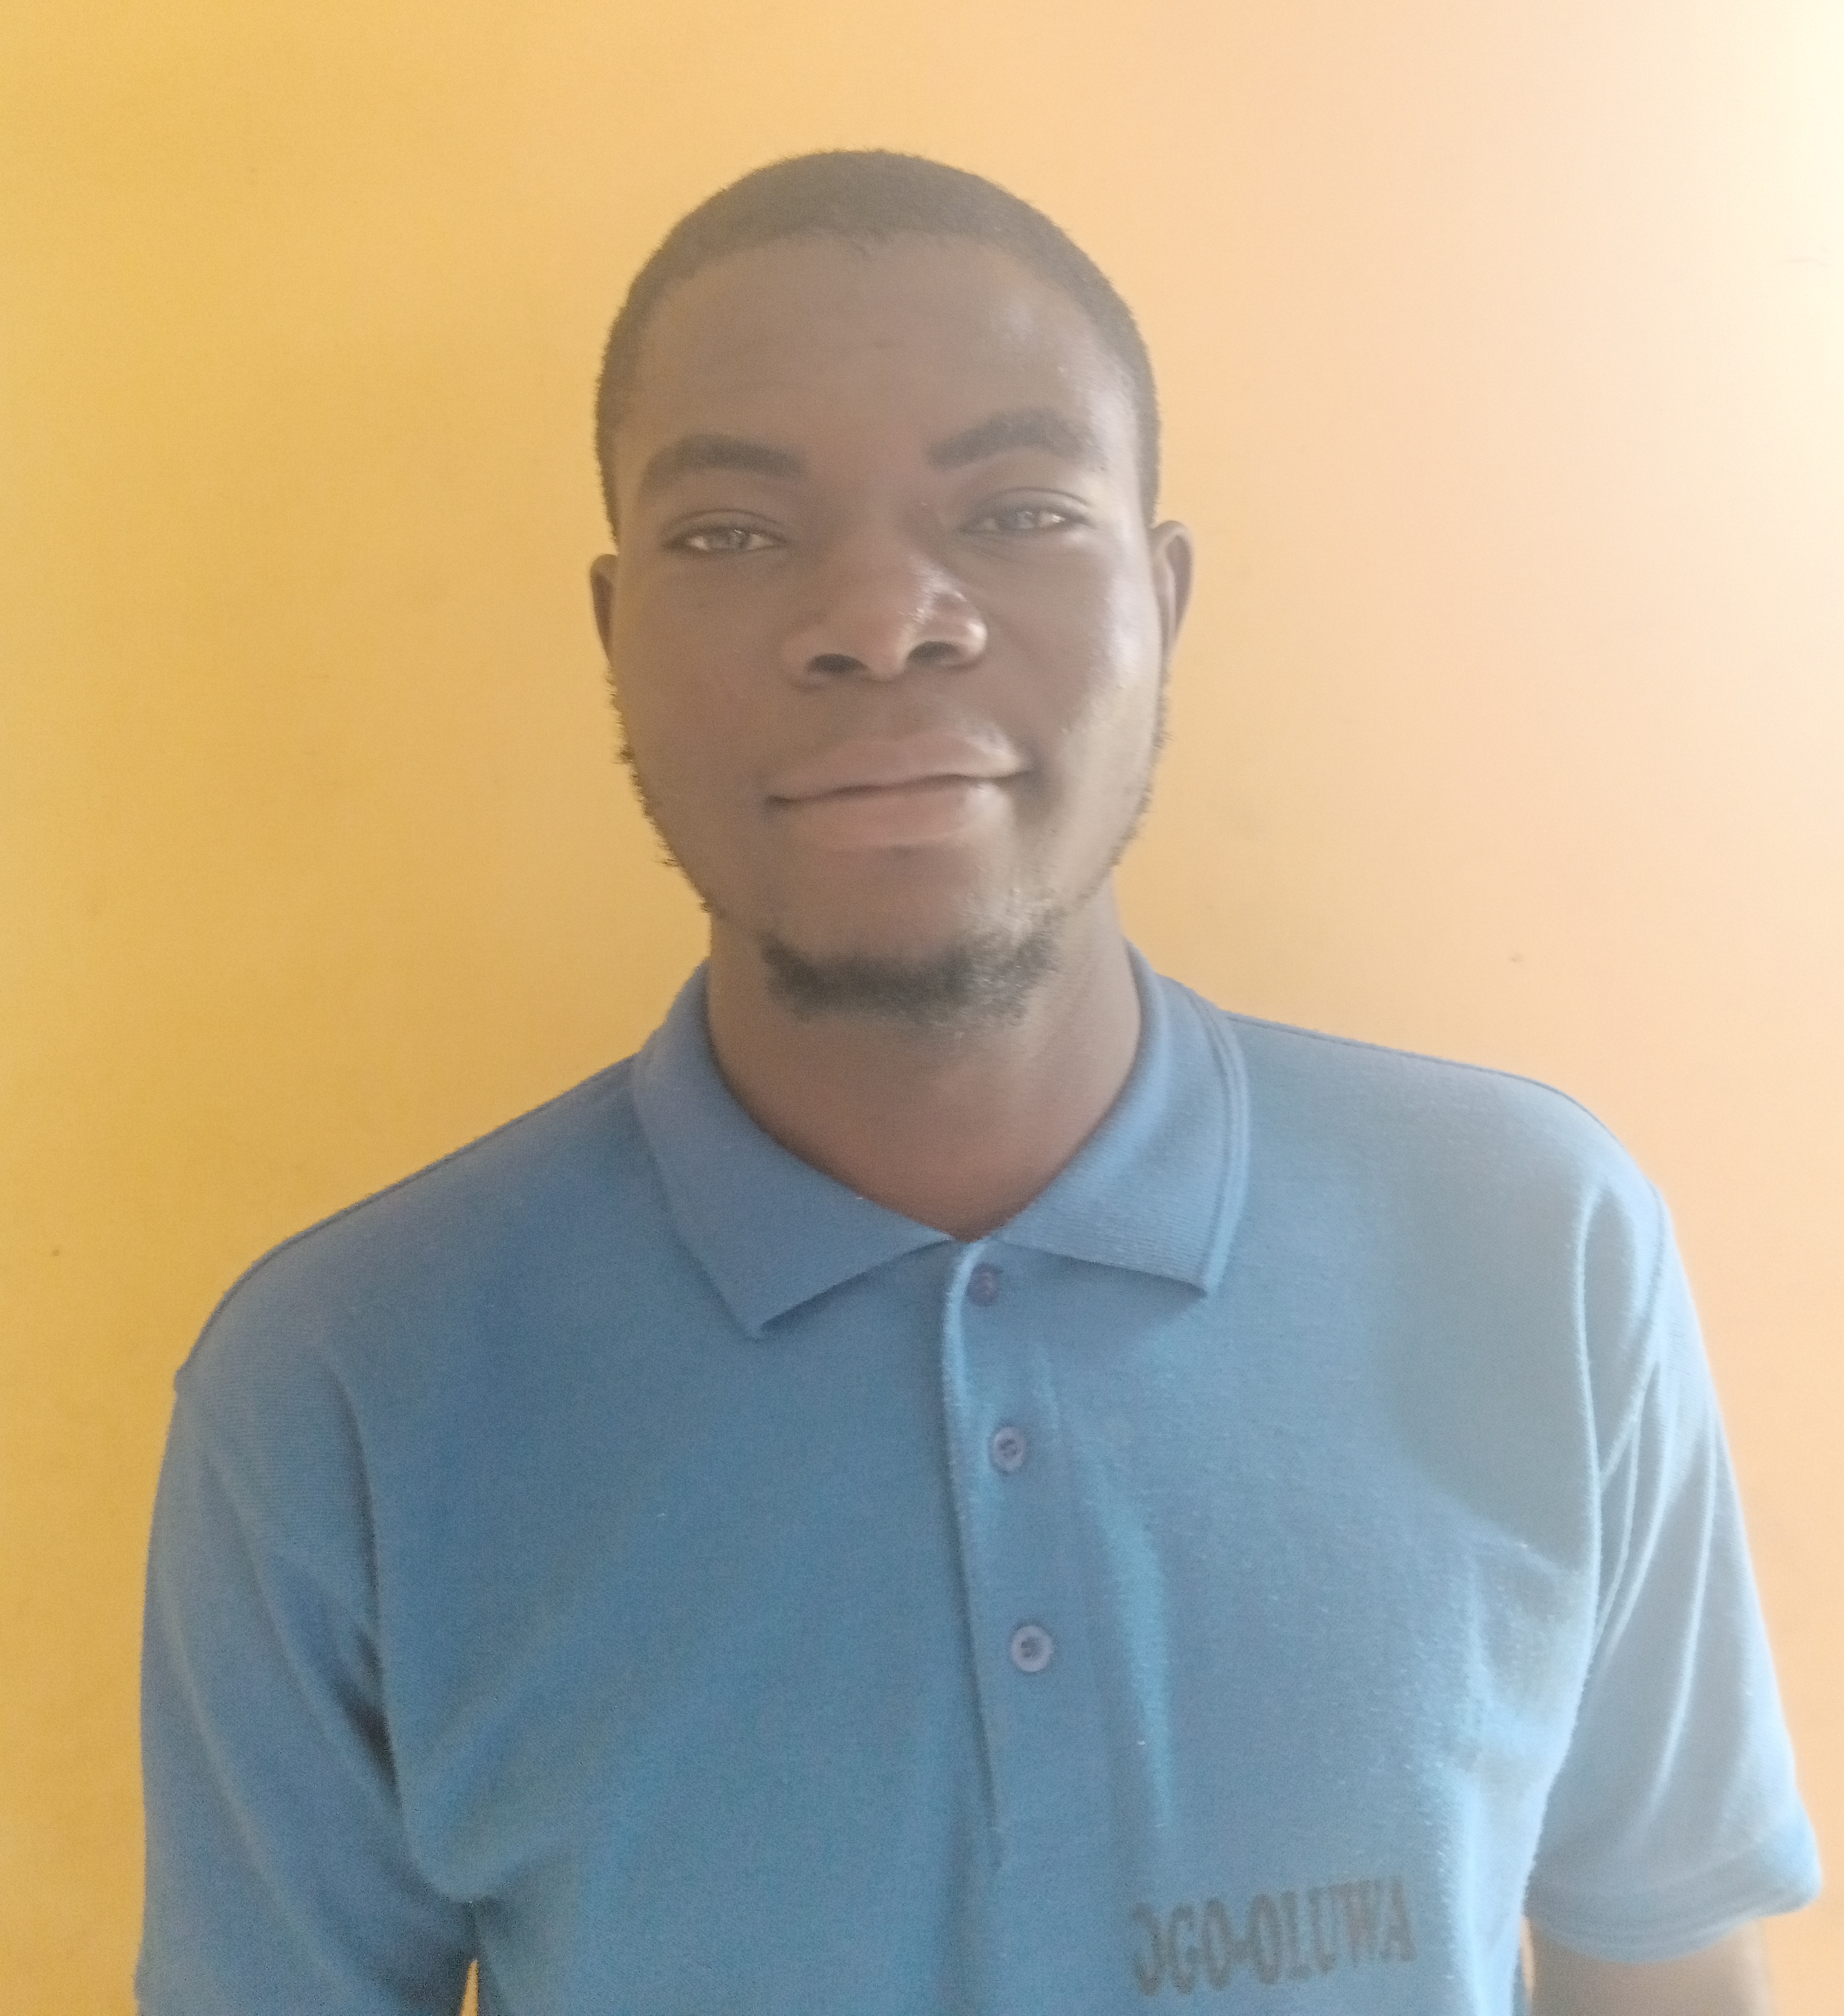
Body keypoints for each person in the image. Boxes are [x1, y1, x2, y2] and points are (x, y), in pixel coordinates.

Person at [138, 152, 1818, 2016]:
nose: (883, 616)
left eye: (1018, 510)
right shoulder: (344, 1392)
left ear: (1165, 601)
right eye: (732, 534)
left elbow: (1664, 1970)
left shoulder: (1537, 1246)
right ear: (612, 632)